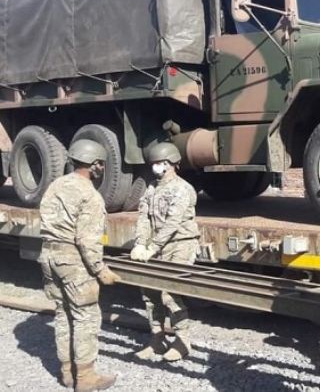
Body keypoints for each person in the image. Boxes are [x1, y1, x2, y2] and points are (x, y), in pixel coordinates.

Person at [38, 139, 120, 391]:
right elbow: (86, 240)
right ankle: (85, 378)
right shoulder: (90, 195)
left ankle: (67, 373)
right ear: (94, 164)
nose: (101, 169)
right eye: (101, 164)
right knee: (86, 316)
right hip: (73, 260)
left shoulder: (56, 185)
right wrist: (100, 270)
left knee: (63, 314)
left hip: (48, 256)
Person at [130, 142, 199, 362]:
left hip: (180, 243)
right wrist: (141, 243)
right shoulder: (152, 188)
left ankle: (182, 341)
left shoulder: (182, 188)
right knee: (149, 293)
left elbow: (172, 223)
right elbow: (144, 217)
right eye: (154, 164)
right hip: (156, 246)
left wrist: (152, 247)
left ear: (171, 164)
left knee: (171, 293)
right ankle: (157, 339)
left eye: (160, 163)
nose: (156, 167)